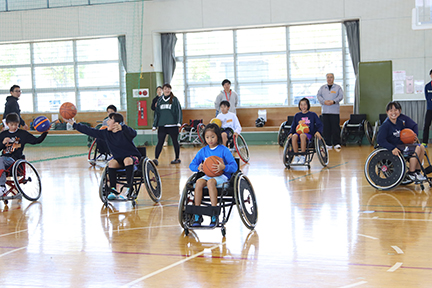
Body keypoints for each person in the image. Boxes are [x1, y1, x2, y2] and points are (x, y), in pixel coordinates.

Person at [65, 113, 142, 200]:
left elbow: (134, 133)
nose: (107, 121)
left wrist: (123, 127)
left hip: (132, 157)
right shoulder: (106, 133)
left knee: (127, 160)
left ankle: (129, 188)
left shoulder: (124, 131)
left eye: (110, 119)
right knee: (112, 163)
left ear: (116, 123)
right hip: (119, 159)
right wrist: (74, 124)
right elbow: (90, 131)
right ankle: (113, 189)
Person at [189, 123, 238, 227]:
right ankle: (197, 214)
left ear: (218, 136)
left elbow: (234, 167)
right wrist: (198, 167)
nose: (210, 139)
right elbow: (192, 165)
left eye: (212, 137)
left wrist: (224, 167)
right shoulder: (203, 151)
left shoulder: (224, 150)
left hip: (222, 176)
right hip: (208, 175)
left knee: (211, 182)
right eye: (207, 137)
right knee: (198, 182)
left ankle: (214, 215)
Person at [377, 101, 426, 181]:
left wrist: (412, 138)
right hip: (394, 147)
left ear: (399, 111)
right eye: (391, 110)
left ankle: (417, 172)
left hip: (402, 145)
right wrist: (392, 148)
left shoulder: (400, 123)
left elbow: (405, 134)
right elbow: (380, 140)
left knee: (422, 147)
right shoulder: (385, 125)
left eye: (396, 110)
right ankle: (411, 173)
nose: (393, 112)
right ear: (387, 112)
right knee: (416, 148)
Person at [0, 113, 48, 194]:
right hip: (3, 162)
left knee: (0, 159)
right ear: (7, 124)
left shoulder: (23, 134)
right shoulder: (3, 135)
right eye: (12, 125)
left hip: (15, 161)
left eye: (16, 124)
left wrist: (45, 132)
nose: (14, 127)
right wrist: (3, 143)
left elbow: (36, 141)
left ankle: (2, 186)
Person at [152, 83, 182, 165]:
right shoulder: (160, 100)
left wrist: (179, 123)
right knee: (160, 142)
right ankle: (156, 159)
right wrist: (155, 125)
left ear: (170, 90)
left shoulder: (174, 100)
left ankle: (177, 158)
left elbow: (179, 111)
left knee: (175, 142)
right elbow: (157, 114)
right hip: (162, 125)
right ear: (163, 90)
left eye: (168, 89)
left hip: (173, 125)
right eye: (165, 89)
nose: (167, 90)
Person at [287, 97, 324, 164]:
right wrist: (290, 133)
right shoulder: (297, 115)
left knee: (302, 135)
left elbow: (319, 124)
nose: (303, 106)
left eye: (305, 104)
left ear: (308, 105)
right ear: (299, 106)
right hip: (298, 133)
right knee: (294, 136)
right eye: (301, 105)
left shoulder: (313, 115)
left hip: (309, 134)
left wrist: (318, 132)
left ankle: (303, 156)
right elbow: (293, 126)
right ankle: (296, 156)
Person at [316, 73, 344, 150]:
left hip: (334, 111)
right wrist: (324, 101)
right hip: (325, 111)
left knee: (335, 128)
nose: (329, 79)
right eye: (328, 77)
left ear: (333, 78)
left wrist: (334, 101)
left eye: (331, 77)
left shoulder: (338, 87)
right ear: (326, 78)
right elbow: (318, 96)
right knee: (326, 128)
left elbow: (341, 96)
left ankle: (336, 143)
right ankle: (328, 143)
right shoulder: (322, 88)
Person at [422, 69, 432, 147]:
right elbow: (427, 97)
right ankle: (425, 142)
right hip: (429, 109)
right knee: (426, 125)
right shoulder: (427, 86)